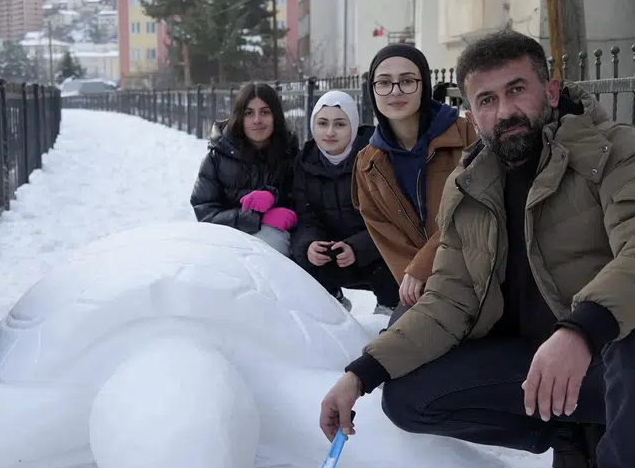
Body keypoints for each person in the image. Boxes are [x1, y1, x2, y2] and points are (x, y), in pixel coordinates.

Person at [318, 30, 635, 468]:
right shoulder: (470, 188)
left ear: (551, 89)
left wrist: (581, 330)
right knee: (410, 396)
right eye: (487, 100)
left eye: (518, 89)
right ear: (472, 111)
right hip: (559, 366)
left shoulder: (614, 151)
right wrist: (361, 373)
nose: (505, 110)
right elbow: (447, 301)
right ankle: (573, 442)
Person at [352, 44, 477, 310]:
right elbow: (384, 233)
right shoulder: (368, 163)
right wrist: (415, 277)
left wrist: (424, 266)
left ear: (424, 85)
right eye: (384, 82)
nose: (395, 91)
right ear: (373, 90)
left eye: (407, 81)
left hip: (476, 273)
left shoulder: (464, 136)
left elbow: (474, 208)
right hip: (422, 291)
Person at [291, 91, 399, 314]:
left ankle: (389, 308)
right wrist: (309, 245)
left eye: (340, 124)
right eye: (322, 123)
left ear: (353, 125)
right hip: (332, 256)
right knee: (299, 263)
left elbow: (390, 220)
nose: (330, 132)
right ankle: (331, 305)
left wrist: (357, 248)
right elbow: (305, 217)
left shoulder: (375, 157)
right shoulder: (304, 164)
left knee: (392, 264)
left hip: (375, 256)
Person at [190, 82, 299, 255]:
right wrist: (258, 217)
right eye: (249, 113)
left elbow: (304, 202)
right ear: (239, 117)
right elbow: (205, 213)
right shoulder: (217, 157)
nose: (257, 120)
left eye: (265, 112)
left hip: (278, 243)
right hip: (227, 244)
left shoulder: (291, 155)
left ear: (276, 116)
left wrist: (275, 198)